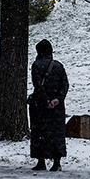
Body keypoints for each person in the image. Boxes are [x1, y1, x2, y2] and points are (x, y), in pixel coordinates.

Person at [28, 39, 69, 171]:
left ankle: (41, 161)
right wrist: (58, 99)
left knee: (39, 132)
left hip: (40, 106)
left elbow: (38, 85)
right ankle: (56, 162)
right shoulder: (58, 66)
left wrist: (46, 101)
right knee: (56, 133)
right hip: (57, 107)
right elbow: (65, 84)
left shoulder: (36, 65)